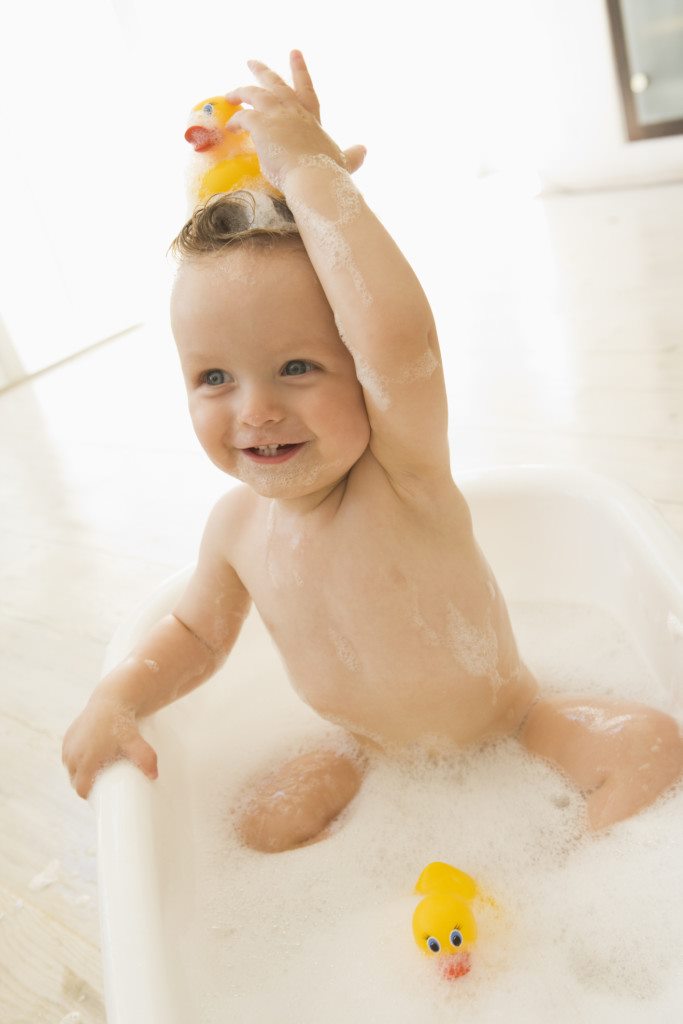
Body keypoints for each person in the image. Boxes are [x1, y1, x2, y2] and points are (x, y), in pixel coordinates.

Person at [62, 51, 683, 849]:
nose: (256, 410)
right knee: (258, 830)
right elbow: (197, 633)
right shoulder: (234, 529)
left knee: (650, 747)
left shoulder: (401, 474)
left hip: (511, 725)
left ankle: (567, 863)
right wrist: (119, 696)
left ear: (359, 370)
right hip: (368, 753)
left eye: (297, 367)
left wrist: (313, 177)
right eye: (214, 377)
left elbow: (398, 341)